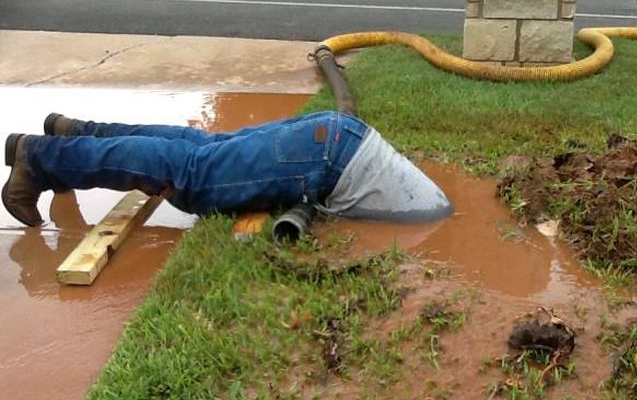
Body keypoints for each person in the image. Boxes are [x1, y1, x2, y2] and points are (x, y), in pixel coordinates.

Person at [3, 111, 452, 227]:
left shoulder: (432, 206)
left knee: (202, 148)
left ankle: (76, 131)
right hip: (329, 159)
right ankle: (39, 157)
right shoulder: (428, 216)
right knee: (193, 173)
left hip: (339, 138)